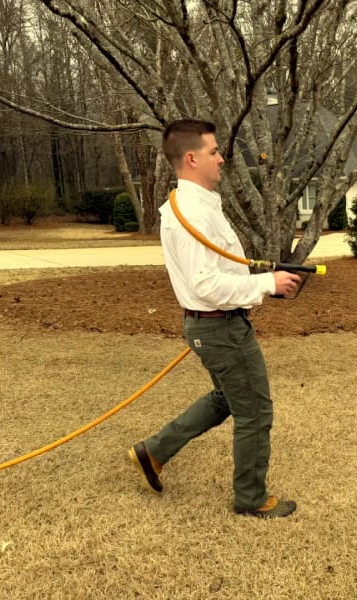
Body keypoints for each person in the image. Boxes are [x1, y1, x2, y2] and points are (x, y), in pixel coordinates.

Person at [128, 118, 301, 518]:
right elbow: (206, 284)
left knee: (228, 398)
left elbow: (216, 272)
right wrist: (267, 285)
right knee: (254, 411)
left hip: (218, 323)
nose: (222, 159)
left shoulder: (198, 205)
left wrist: (261, 283)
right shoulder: (190, 212)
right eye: (213, 151)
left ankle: (153, 453)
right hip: (217, 324)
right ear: (190, 158)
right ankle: (251, 497)